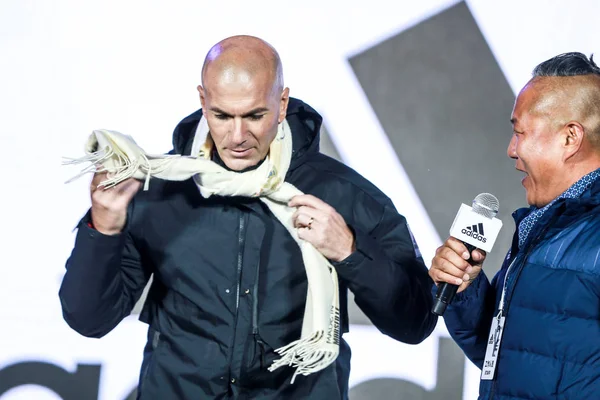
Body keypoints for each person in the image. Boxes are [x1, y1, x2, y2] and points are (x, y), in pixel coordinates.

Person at [59, 35, 437, 400]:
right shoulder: (158, 188)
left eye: (255, 115)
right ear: (203, 101)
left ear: (283, 103)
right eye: (222, 115)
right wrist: (103, 231)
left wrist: (350, 253)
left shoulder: (342, 193)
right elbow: (89, 319)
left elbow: (415, 322)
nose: (237, 135)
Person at [429, 52, 600, 399]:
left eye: (520, 131)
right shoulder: (544, 227)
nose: (511, 149)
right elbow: (506, 360)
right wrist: (465, 289)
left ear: (570, 138)